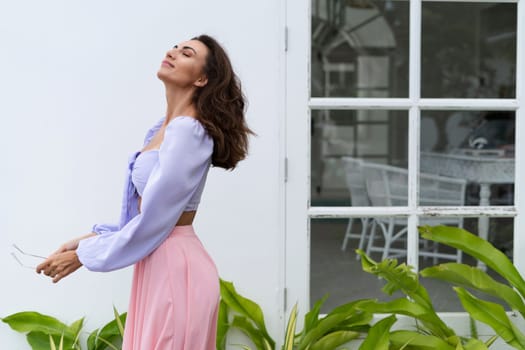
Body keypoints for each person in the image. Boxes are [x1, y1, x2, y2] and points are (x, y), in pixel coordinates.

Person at [36, 34, 253, 350]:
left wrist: (83, 256)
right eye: (175, 47)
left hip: (176, 270)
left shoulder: (188, 131)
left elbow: (154, 220)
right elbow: (142, 216)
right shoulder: (163, 129)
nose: (173, 52)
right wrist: (85, 240)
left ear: (202, 78)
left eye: (187, 53)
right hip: (158, 262)